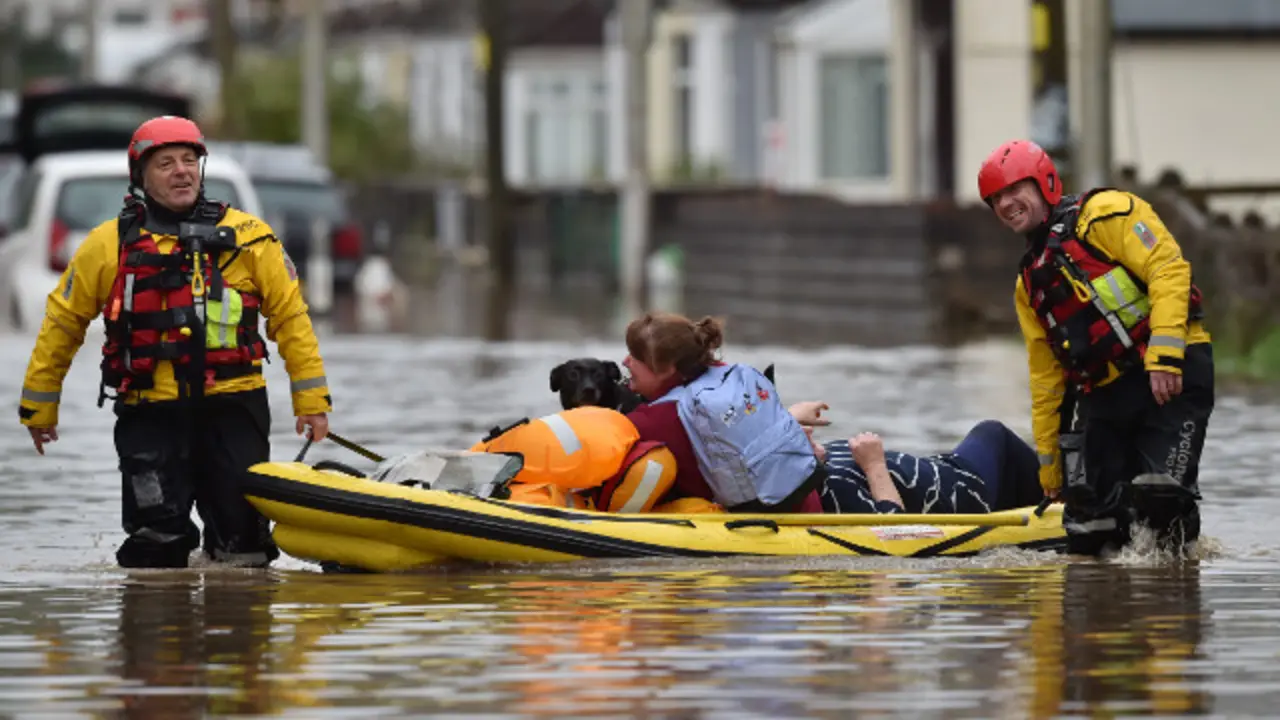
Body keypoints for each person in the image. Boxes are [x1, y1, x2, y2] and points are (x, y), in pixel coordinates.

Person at [17, 115, 333, 569]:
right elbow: (61, 325)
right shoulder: (107, 245)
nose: (182, 171)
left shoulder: (250, 238)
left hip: (233, 409)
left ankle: (235, 631)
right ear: (140, 176)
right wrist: (39, 407)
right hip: (150, 411)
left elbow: (292, 319)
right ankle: (157, 628)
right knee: (156, 543)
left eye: (189, 160)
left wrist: (312, 399)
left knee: (243, 547)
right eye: (165, 163)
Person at [977, 139, 1213, 555]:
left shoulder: (1106, 215)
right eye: (996, 199)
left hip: (1170, 373)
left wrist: (1165, 356)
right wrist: (1050, 467)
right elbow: (1046, 378)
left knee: (1159, 497)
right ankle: (1105, 613)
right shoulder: (1028, 283)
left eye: (1015, 190)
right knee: (1091, 526)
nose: (1007, 203)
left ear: (1045, 182)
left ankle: (1176, 598)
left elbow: (1168, 269)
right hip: (1107, 394)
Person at [622, 312, 826, 514]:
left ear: (667, 369)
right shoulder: (731, 377)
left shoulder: (654, 420)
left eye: (635, 357)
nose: (625, 362)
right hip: (806, 503)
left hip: (762, 526)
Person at [810, 421, 1046, 514]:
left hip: (946, 470)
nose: (808, 433)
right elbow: (895, 533)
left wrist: (796, 412)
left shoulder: (808, 472)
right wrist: (874, 465)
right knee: (993, 433)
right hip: (966, 489)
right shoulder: (838, 491)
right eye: (800, 441)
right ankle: (1060, 503)